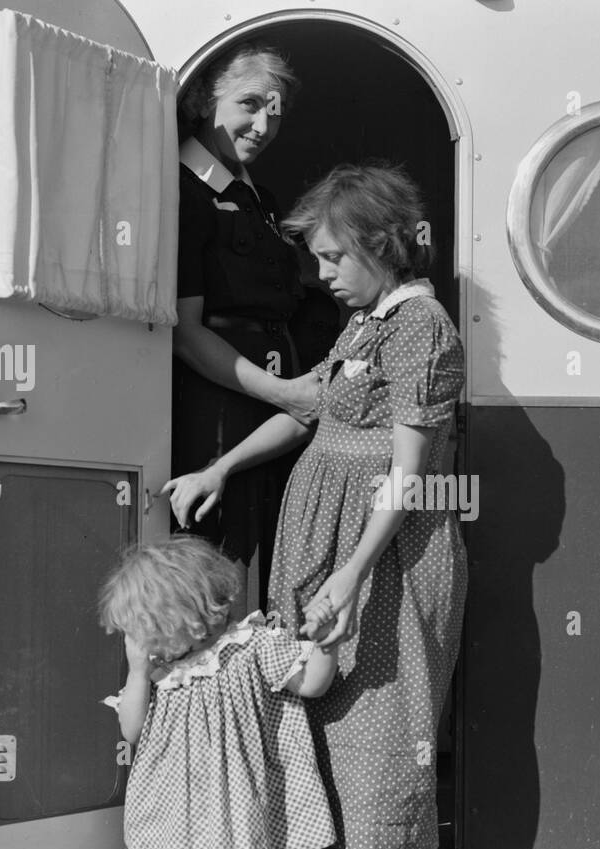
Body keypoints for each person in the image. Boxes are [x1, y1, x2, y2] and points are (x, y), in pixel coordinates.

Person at [162, 163, 467, 849]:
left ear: (379, 244)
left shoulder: (420, 327)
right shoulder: (366, 324)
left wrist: (352, 576)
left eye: (334, 256)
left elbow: (410, 476)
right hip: (331, 566)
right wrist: (218, 468)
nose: (320, 273)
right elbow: (310, 412)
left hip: (389, 570)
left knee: (394, 772)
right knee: (345, 773)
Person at [99, 535, 340, 849]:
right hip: (161, 823)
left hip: (228, 823)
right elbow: (131, 729)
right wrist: (135, 672)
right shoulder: (158, 674)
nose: (136, 641)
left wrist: (328, 642)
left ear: (181, 615)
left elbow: (311, 684)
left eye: (141, 627)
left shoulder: (252, 646)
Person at [173, 44, 326, 614]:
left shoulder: (257, 196)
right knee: (222, 567)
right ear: (202, 100)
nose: (263, 126)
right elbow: (186, 333)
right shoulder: (186, 188)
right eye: (249, 104)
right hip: (223, 409)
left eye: (275, 111)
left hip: (273, 407)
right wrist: (285, 394)